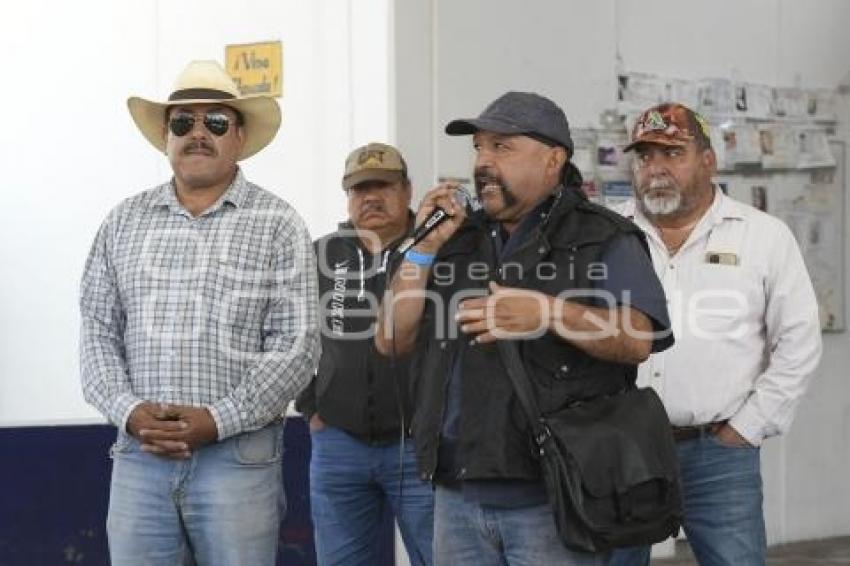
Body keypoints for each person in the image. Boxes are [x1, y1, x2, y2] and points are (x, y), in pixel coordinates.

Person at [374, 91, 674, 565]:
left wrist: (548, 314)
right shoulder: (457, 238)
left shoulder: (603, 235)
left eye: (502, 148)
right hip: (455, 495)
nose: (483, 162)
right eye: (478, 148)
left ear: (553, 159)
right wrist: (423, 249)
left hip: (552, 495)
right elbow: (391, 337)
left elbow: (637, 338)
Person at [80, 60, 320, 565]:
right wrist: (129, 412)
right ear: (166, 137)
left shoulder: (278, 224)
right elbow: (97, 333)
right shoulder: (122, 223)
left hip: (237, 460)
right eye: (182, 122)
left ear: (239, 136)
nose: (197, 134)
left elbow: (296, 345)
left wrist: (217, 420)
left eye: (215, 122)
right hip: (138, 458)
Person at [609, 103, 822, 566]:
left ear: (709, 161)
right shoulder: (608, 232)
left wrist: (747, 428)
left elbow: (800, 340)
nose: (656, 169)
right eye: (645, 156)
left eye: (673, 154)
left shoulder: (762, 236)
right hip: (621, 451)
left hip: (718, 454)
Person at [295, 143, 434, 565]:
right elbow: (287, 335)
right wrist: (310, 404)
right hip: (338, 444)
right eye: (359, 189)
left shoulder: (436, 250)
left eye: (384, 186)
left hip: (419, 447)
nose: (370, 197)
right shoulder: (322, 254)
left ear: (407, 190)